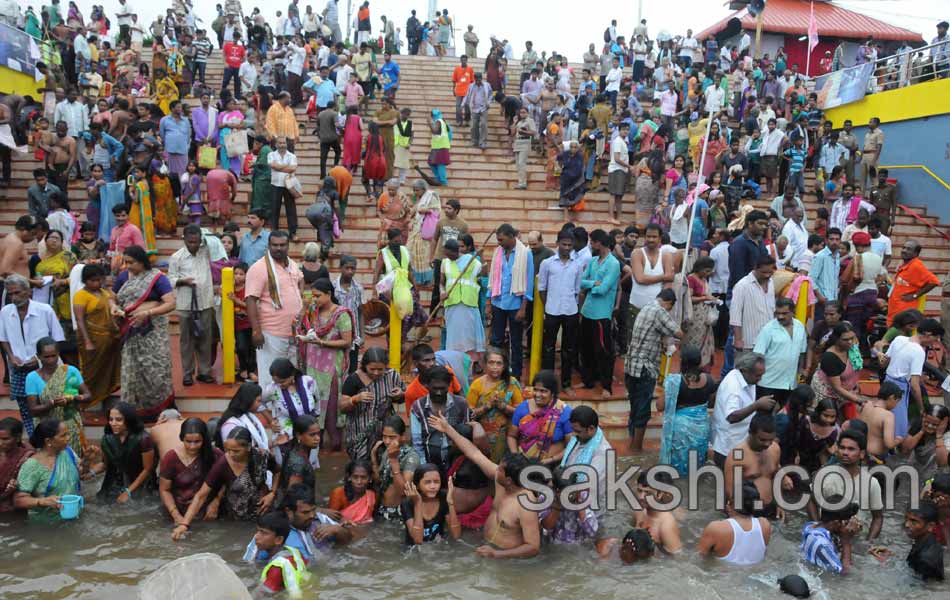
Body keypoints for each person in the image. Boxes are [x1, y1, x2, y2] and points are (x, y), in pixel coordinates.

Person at [427, 414, 541, 558]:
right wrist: (448, 429)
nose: (495, 469)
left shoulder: (526, 503)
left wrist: (497, 554)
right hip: (485, 546)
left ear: (509, 480)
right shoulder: (500, 481)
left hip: (507, 561)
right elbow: (473, 452)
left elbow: (533, 547)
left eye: (500, 469)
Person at [174, 427, 279, 539]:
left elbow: (277, 471)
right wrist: (184, 524)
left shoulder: (262, 456)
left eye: (236, 451)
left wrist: (272, 493)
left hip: (263, 513)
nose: (231, 454)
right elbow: (201, 495)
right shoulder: (223, 464)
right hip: (235, 519)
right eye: (228, 450)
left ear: (249, 447)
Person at [113, 246, 176, 418]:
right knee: (132, 369)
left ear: (142, 262)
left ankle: (160, 409)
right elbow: (112, 296)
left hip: (152, 332)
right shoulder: (123, 277)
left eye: (131, 262)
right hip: (130, 332)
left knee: (156, 367)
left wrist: (147, 312)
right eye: (125, 262)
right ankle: (132, 412)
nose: (127, 266)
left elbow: (170, 303)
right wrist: (113, 306)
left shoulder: (157, 278)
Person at [0, 274, 65, 436]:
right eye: (10, 294)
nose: (13, 297)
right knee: (25, 407)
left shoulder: (45, 310)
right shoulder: (5, 312)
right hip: (18, 368)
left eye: (17, 293)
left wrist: (38, 358)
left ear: (28, 291)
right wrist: (11, 356)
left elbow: (58, 339)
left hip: (45, 368)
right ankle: (35, 439)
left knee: (50, 405)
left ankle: (52, 439)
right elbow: (3, 338)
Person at [541, 406, 612, 544]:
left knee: (584, 541)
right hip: (566, 497)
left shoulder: (602, 452)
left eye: (578, 431)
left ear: (591, 429)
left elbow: (587, 485)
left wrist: (565, 493)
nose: (574, 434)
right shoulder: (578, 439)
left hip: (585, 507)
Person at [297, 278, 353, 450]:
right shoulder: (313, 311)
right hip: (313, 364)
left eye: (318, 296)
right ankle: (316, 445)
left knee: (331, 407)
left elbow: (347, 341)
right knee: (314, 402)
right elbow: (300, 326)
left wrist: (322, 343)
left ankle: (335, 445)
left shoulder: (341, 314)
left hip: (331, 367)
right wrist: (305, 308)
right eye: (312, 296)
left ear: (329, 294)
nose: (314, 299)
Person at [626, 289, 683, 452]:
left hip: (631, 365)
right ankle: (636, 449)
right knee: (643, 409)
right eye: (670, 309)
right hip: (646, 367)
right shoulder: (660, 311)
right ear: (669, 303)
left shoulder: (646, 307)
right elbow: (678, 332)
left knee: (635, 405)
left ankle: (632, 443)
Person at [245, 232, 303, 390]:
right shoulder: (258, 268)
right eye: (274, 245)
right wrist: (256, 331)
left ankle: (288, 410)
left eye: (282, 245)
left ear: (288, 246)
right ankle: (269, 412)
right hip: (271, 334)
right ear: (268, 246)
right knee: (270, 377)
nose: (278, 248)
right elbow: (250, 299)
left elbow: (300, 281)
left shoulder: (292, 264)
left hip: (294, 332)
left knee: (291, 376)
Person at [25, 337, 91, 456]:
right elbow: (33, 410)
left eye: (54, 356)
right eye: (46, 357)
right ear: (38, 356)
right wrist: (50, 405)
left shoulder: (70, 371)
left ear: (58, 354)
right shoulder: (32, 377)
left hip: (69, 428)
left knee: (71, 461)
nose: (51, 360)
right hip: (46, 430)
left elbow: (87, 395)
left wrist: (73, 398)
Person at [168, 225, 216, 386]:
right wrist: (183, 282)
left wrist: (205, 236)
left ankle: (204, 372)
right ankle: (187, 374)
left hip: (206, 302)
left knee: (205, 338)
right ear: (184, 240)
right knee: (187, 341)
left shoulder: (206, 251)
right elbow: (171, 280)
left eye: (196, 241)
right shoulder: (177, 257)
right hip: (185, 304)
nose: (193, 245)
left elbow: (216, 241)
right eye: (190, 242)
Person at [340, 347, 405, 462]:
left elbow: (403, 397)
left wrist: (400, 395)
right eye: (372, 369)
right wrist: (355, 399)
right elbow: (342, 407)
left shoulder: (392, 376)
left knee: (386, 461)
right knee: (361, 465)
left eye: (380, 369)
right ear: (365, 366)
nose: (376, 373)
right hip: (360, 433)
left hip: (385, 432)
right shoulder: (354, 379)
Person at [659, 346, 716, 476]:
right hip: (701, 428)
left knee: (677, 468)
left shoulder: (675, 381)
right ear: (700, 362)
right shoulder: (709, 379)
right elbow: (711, 402)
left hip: (681, 431)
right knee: (696, 466)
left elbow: (660, 406)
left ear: (682, 362)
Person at [884, 319, 944, 439]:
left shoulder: (899, 339)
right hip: (899, 388)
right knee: (897, 429)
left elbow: (886, 361)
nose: (934, 343)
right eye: (935, 338)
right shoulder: (918, 351)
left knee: (886, 419)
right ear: (927, 334)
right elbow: (914, 385)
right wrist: (921, 408)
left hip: (887, 382)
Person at [488, 224, 534, 380]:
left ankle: (516, 375)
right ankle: (498, 372)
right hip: (498, 302)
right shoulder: (498, 252)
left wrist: (523, 308)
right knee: (496, 340)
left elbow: (528, 284)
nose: (499, 242)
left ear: (511, 236)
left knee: (515, 342)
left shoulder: (525, 254)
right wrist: (489, 302)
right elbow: (492, 278)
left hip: (515, 304)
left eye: (501, 239)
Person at [14, 419, 81, 523]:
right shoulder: (32, 465)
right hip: (46, 524)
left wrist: (87, 462)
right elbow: (18, 500)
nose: (68, 438)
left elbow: (75, 478)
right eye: (63, 435)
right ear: (48, 441)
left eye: (68, 434)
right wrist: (42, 501)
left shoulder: (67, 452)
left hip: (74, 516)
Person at [538, 231, 581, 392]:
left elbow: (577, 290)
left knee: (568, 350)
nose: (567, 248)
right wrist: (548, 305)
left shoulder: (576, 265)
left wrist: (576, 309)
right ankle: (548, 384)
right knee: (548, 348)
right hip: (552, 310)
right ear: (557, 243)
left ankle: (566, 383)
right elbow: (542, 288)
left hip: (571, 311)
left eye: (570, 245)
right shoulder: (547, 263)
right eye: (564, 244)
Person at [580, 229, 621, 396]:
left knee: (604, 350)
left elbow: (604, 288)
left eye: (592, 242)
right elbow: (581, 282)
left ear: (599, 243)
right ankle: (588, 381)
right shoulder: (593, 260)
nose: (591, 245)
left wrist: (591, 286)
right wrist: (592, 284)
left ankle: (606, 386)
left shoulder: (613, 263)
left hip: (602, 313)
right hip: (588, 311)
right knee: (586, 348)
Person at [821, 430, 884, 540]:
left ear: (862, 454)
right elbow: (810, 500)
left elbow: (877, 518)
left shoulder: (871, 483)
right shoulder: (825, 476)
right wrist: (819, 530)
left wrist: (869, 542)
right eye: (842, 448)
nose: (845, 452)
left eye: (851, 449)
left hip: (856, 538)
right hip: (828, 536)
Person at [723, 413, 789, 519]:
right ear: (750, 433)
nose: (767, 444)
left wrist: (779, 503)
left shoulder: (775, 449)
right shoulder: (737, 455)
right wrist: (740, 517)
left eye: (771, 440)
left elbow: (775, 475)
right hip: (746, 511)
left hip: (770, 508)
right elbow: (731, 492)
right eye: (762, 440)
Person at [159, 418, 223, 523]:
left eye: (197, 441)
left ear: (205, 439)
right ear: (181, 438)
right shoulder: (171, 458)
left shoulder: (215, 455)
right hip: (178, 512)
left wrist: (216, 501)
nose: (192, 447)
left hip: (207, 513)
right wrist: (176, 515)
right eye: (188, 441)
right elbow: (164, 490)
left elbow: (224, 481)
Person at [89, 402, 155, 504]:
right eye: (111, 419)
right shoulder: (107, 439)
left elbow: (147, 469)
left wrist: (128, 492)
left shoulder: (144, 439)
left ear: (129, 420)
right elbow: (105, 464)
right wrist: (91, 473)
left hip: (139, 483)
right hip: (115, 483)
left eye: (118, 420)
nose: (113, 423)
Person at [409, 366, 471, 471]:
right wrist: (425, 467)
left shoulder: (461, 404)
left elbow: (467, 435)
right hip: (429, 462)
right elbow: (417, 442)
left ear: (449, 385)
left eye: (442, 389)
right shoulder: (418, 407)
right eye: (435, 388)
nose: (438, 392)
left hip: (456, 462)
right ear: (427, 386)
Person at [697, 481, 772, 565]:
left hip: (723, 575)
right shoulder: (765, 525)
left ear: (730, 504)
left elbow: (700, 557)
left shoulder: (716, 528)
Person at [507, 370, 572, 466]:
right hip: (523, 463)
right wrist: (515, 457)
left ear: (553, 393)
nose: (537, 395)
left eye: (543, 391)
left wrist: (550, 460)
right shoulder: (522, 408)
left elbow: (571, 446)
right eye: (535, 389)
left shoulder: (564, 412)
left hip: (552, 465)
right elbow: (511, 436)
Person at [467, 349, 521, 463]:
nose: (494, 367)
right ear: (485, 365)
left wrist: (502, 406)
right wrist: (488, 406)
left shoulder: (512, 383)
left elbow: (520, 413)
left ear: (504, 365)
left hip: (507, 436)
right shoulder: (477, 384)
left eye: (499, 363)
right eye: (491, 363)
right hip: (481, 437)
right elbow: (469, 414)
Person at [752, 298, 806, 405]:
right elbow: (758, 355)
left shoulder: (800, 326)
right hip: (768, 384)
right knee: (765, 417)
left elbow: (802, 352)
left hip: (790, 384)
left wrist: (801, 370)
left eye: (784, 313)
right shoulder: (768, 329)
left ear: (793, 312)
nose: (780, 317)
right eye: (778, 313)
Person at [248, 511, 311, 597]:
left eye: (264, 533)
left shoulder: (276, 569)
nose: (256, 536)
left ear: (278, 540)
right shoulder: (295, 552)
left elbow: (257, 595)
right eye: (258, 531)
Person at [813, 322, 866, 422]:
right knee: (829, 421)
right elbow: (837, 388)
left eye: (852, 338)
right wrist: (858, 400)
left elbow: (855, 369)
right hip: (829, 395)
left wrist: (855, 386)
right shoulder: (830, 358)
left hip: (846, 392)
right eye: (845, 339)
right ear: (836, 339)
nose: (850, 342)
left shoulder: (852, 349)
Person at [440, 239, 484, 357]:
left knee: (468, 339)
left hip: (468, 304)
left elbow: (484, 275)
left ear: (456, 252)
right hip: (451, 304)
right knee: (453, 339)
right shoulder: (445, 263)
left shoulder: (472, 261)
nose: (449, 257)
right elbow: (441, 282)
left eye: (451, 255)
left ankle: (469, 365)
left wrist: (481, 256)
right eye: (446, 255)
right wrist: (442, 292)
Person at [371, 415, 420, 520]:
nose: (387, 441)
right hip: (382, 509)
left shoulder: (411, 456)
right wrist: (373, 457)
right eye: (384, 436)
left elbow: (404, 491)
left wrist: (394, 462)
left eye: (392, 437)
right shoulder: (387, 452)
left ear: (403, 436)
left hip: (399, 512)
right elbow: (379, 480)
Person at [400, 463, 462, 545]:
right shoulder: (408, 502)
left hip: (438, 547)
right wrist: (418, 503)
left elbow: (456, 535)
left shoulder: (443, 497)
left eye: (436, 482)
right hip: (412, 551)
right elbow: (418, 540)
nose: (433, 486)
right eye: (427, 482)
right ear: (417, 485)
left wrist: (450, 503)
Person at [800, 495, 860, 574]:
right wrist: (846, 541)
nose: (849, 524)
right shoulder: (822, 545)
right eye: (847, 522)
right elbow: (844, 573)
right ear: (836, 522)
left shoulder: (811, 526)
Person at [887, 240, 939, 325]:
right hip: (895, 308)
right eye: (903, 248)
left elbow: (934, 281)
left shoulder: (916, 266)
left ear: (916, 253)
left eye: (908, 249)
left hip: (904, 312)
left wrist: (915, 295)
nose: (904, 250)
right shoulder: (904, 264)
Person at [631, 471, 683, 553]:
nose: (641, 497)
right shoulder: (638, 510)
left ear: (659, 495)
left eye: (647, 492)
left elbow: (678, 560)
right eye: (639, 491)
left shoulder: (666, 525)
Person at [267, 137, 299, 239]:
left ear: (286, 144)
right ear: (276, 144)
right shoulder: (271, 154)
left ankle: (293, 233)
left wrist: (278, 166)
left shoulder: (292, 156)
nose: (282, 145)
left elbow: (293, 168)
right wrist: (286, 167)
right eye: (280, 143)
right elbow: (272, 165)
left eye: (283, 143)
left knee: (291, 209)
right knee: (275, 209)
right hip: (275, 184)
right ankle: (274, 232)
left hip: (288, 185)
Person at [327, 459, 376, 524]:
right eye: (355, 477)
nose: (359, 482)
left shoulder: (372, 496)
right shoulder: (338, 493)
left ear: (370, 479)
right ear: (349, 477)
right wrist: (343, 521)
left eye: (363, 477)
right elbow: (329, 520)